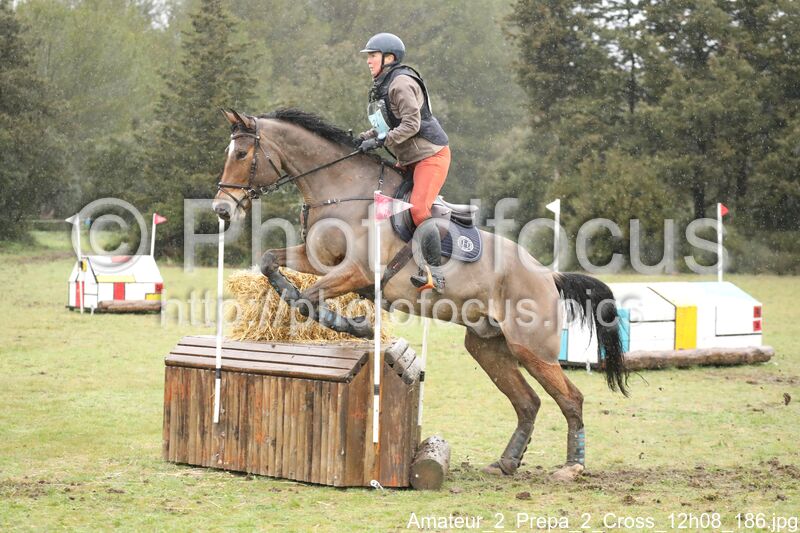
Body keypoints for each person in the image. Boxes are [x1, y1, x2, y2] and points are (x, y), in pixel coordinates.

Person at [358, 32, 450, 293]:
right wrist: (363, 138)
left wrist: (381, 141)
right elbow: (385, 126)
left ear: (389, 58)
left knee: (419, 210)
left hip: (430, 157)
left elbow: (412, 124)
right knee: (379, 200)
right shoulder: (382, 85)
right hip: (408, 159)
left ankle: (436, 274)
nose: (368, 61)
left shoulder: (400, 84)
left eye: (373, 56)